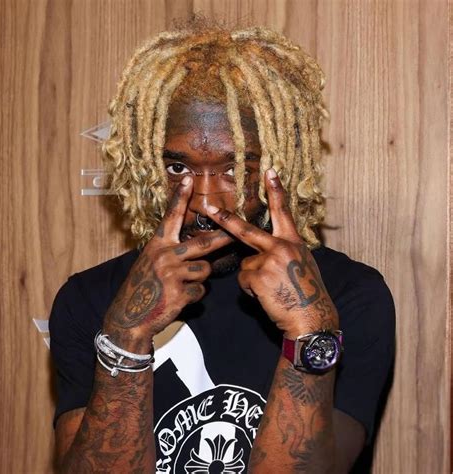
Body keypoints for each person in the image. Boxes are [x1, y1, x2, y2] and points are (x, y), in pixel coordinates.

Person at [49, 21, 395, 474]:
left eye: (235, 169)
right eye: (178, 168)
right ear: (145, 164)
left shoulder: (350, 294)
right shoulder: (90, 298)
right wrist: (127, 337)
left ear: (279, 165)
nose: (207, 203)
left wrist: (309, 330)